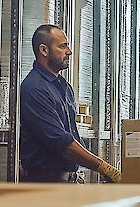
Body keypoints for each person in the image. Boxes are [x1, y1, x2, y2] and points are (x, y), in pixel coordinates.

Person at [19, 24, 121, 184]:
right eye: (62, 46)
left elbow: (72, 136)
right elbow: (61, 142)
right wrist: (104, 168)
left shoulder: (63, 87)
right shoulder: (34, 88)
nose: (69, 51)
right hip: (44, 186)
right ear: (44, 50)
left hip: (67, 183)